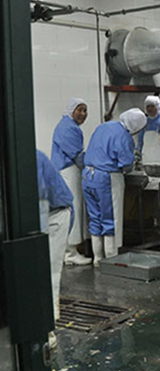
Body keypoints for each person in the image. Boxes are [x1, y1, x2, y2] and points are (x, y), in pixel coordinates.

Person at [83, 108, 146, 266]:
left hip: (87, 176)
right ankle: (111, 259)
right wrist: (133, 160)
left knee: (95, 218)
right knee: (110, 219)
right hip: (106, 178)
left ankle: (98, 258)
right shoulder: (124, 136)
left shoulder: (103, 126)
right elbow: (126, 165)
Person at [36, 150, 73, 348]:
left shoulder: (30, 159)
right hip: (36, 215)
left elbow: (40, 205)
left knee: (46, 272)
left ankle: (47, 330)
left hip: (53, 216)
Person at [51, 97, 92, 265]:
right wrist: (93, 162)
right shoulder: (68, 128)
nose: (83, 114)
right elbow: (77, 155)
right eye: (79, 110)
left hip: (67, 171)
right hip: (68, 172)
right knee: (73, 208)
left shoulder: (68, 125)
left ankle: (67, 251)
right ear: (71, 110)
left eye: (85, 110)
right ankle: (70, 252)